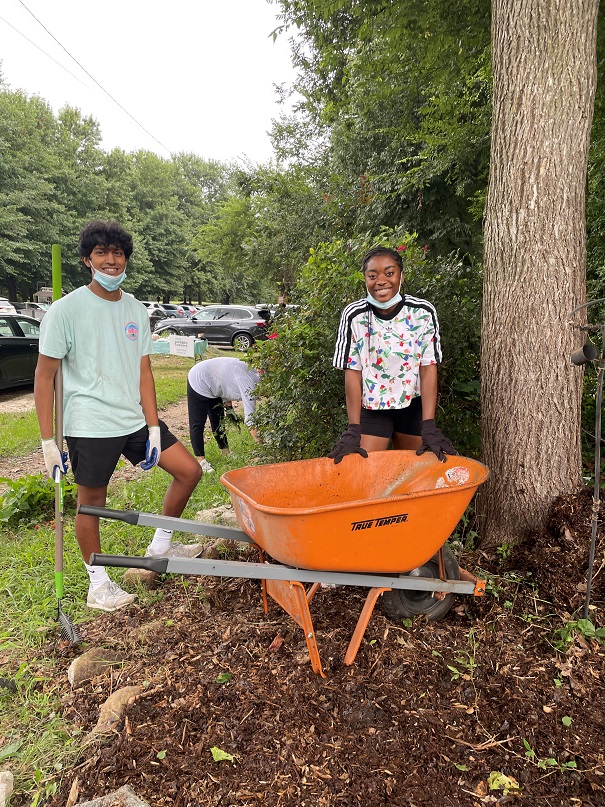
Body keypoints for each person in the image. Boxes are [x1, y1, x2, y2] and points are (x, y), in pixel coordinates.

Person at [34, 220, 203, 613]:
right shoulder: (65, 310)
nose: (111, 261)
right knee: (91, 501)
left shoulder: (134, 308)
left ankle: (162, 542)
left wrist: (154, 425)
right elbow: (45, 377)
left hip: (133, 421)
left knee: (189, 471)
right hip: (90, 423)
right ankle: (99, 583)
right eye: (102, 253)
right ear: (87, 260)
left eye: (118, 253)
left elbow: (143, 371)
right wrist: (47, 441)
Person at [329, 245, 457, 464]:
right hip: (374, 408)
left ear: (401, 276)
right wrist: (353, 429)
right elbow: (352, 371)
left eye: (389, 273)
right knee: (363, 474)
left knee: (413, 477)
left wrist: (429, 424)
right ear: (365, 279)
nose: (381, 281)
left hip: (413, 406)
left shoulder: (422, 313)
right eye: (373, 275)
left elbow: (428, 368)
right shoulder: (354, 315)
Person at [187, 357, 260, 472]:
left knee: (218, 420)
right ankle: (201, 461)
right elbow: (250, 420)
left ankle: (225, 452)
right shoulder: (249, 383)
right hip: (199, 379)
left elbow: (226, 380)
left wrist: (228, 407)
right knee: (198, 422)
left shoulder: (253, 373)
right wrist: (263, 447)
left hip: (214, 381)